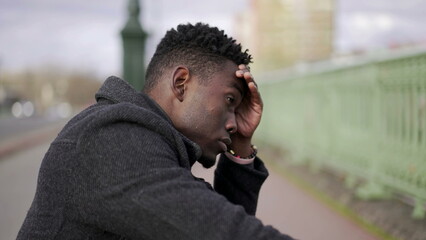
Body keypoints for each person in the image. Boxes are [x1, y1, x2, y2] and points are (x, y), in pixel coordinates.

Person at [17, 22, 295, 240]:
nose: (234, 123)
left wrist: (241, 145)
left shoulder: (152, 144)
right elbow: (220, 231)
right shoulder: (112, 138)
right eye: (230, 101)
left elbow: (210, 218)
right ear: (181, 83)